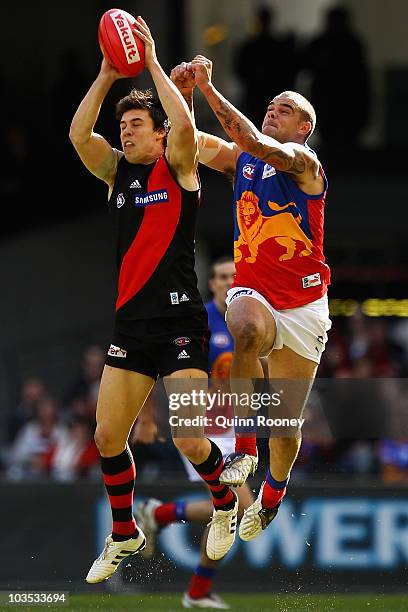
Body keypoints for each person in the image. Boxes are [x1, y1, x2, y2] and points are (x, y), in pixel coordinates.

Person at [69, 17, 236, 584]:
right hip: (131, 325)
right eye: (125, 126)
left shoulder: (179, 167)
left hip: (180, 322)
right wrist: (107, 73)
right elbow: (77, 136)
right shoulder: (117, 174)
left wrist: (155, 63)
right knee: (106, 438)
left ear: (160, 133)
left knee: (191, 438)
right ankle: (124, 533)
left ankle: (225, 501)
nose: (127, 133)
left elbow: (186, 130)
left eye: (137, 124)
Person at [170, 56, 332, 542]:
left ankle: (276, 489)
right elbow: (191, 142)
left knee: (285, 424)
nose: (272, 112)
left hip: (303, 305)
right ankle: (244, 446)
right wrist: (183, 94)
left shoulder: (306, 164)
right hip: (254, 289)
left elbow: (255, 141)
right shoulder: (243, 160)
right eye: (270, 106)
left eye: (284, 109)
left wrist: (209, 89)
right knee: (243, 328)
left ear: (305, 127)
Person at [136, 256, 254, 609]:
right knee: (240, 507)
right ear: (213, 284)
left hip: (235, 427)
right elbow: (156, 364)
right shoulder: (200, 321)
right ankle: (195, 589)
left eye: (235, 276)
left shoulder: (251, 321)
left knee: (232, 512)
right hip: (201, 427)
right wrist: (147, 417)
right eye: (221, 277)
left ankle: (159, 516)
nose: (228, 282)